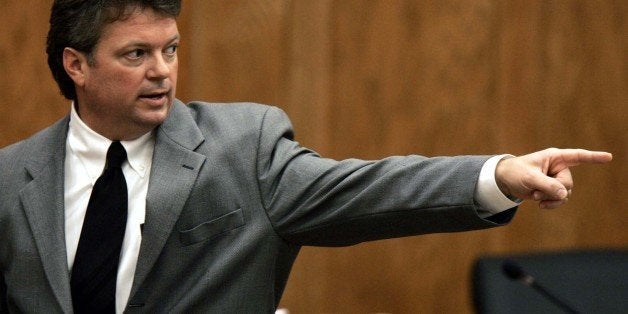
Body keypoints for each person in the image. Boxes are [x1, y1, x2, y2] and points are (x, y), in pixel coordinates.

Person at [0, 0, 612, 313]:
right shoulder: (11, 178)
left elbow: (367, 190)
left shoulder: (244, 148)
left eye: (171, 49)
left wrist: (498, 174)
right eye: (136, 54)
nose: (162, 71)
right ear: (75, 64)